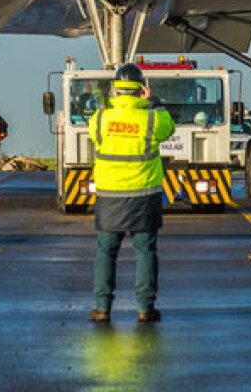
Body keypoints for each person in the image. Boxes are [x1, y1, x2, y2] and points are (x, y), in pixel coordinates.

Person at [87, 63, 176, 323]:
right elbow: (168, 127)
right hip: (143, 193)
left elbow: (94, 134)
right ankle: (145, 309)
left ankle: (102, 308)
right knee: (145, 250)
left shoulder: (102, 117)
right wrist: (154, 102)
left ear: (116, 89)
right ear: (141, 90)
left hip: (109, 194)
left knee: (105, 251)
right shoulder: (151, 117)